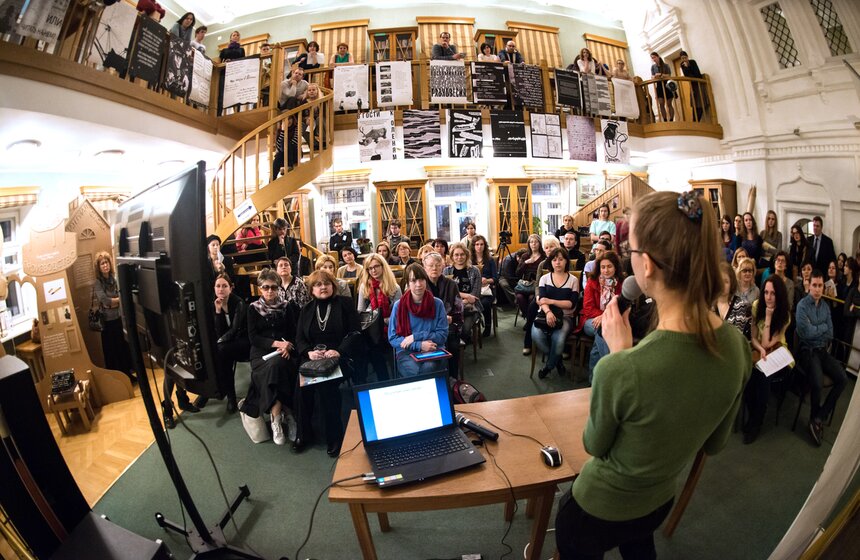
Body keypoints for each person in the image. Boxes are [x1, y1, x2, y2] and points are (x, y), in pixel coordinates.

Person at [555, 190, 751, 559]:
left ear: (646, 266)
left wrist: (620, 355)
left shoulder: (621, 367)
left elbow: (594, 445)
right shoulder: (738, 349)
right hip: (658, 500)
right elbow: (714, 443)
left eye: (629, 252)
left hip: (595, 512)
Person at [295, 270, 361, 456]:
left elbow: (355, 333)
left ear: (333, 285)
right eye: (317, 284)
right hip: (313, 360)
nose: (322, 287)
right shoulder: (306, 310)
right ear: (311, 289)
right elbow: (299, 339)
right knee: (300, 386)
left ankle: (335, 436)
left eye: (326, 283)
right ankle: (303, 434)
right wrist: (309, 352)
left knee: (326, 387)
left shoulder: (345, 304)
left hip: (341, 358)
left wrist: (338, 351)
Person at [242, 269, 299, 446]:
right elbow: (254, 338)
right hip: (261, 354)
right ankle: (286, 414)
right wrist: (278, 344)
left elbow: (294, 332)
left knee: (278, 367)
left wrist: (288, 345)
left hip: (286, 351)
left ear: (278, 288)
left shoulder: (287, 306)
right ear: (260, 289)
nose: (269, 291)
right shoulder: (253, 308)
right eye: (265, 287)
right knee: (275, 367)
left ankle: (277, 419)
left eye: (273, 287)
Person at [796, 270, 848, 446]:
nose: (817, 289)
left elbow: (831, 333)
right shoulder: (802, 306)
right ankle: (814, 420)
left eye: (820, 286)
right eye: (814, 285)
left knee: (842, 379)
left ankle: (818, 417)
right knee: (817, 383)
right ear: (809, 285)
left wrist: (816, 328)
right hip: (807, 351)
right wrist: (822, 327)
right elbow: (805, 333)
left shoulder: (825, 306)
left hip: (822, 351)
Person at [743, 275, 792, 444]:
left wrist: (769, 317)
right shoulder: (757, 306)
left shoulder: (785, 315)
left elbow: (769, 342)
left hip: (779, 353)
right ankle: (753, 416)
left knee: (763, 377)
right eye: (766, 292)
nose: (768, 297)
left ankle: (757, 422)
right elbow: (755, 337)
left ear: (779, 295)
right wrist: (760, 348)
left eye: (773, 293)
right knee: (750, 377)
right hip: (762, 351)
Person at [200, 273, 249, 414]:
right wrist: (218, 311)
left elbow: (235, 329)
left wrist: (218, 342)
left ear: (231, 288)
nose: (220, 289)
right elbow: (218, 330)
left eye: (224, 286)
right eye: (218, 286)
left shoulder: (239, 303)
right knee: (221, 355)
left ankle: (218, 393)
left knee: (220, 352)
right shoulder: (214, 304)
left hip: (243, 341)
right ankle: (225, 396)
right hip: (226, 344)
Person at [388, 264, 449, 377]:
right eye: (413, 280)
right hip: (406, 352)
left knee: (429, 367)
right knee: (416, 371)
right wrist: (418, 345)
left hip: (433, 348)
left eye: (421, 279)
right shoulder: (399, 306)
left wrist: (416, 336)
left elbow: (442, 335)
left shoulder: (437, 304)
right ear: (407, 283)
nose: (418, 284)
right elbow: (393, 338)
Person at [532, 247, 579, 379]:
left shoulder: (573, 280)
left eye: (561, 259)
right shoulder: (544, 278)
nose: (557, 262)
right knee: (537, 336)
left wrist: (551, 301)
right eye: (554, 260)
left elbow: (571, 304)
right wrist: (548, 312)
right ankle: (558, 361)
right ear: (550, 262)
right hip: (545, 314)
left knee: (558, 339)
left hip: (565, 316)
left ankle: (548, 366)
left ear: (566, 262)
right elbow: (542, 300)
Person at [578, 251, 624, 382]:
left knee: (599, 340)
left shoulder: (621, 283)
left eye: (609, 266)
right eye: (603, 267)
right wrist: (604, 317)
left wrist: (605, 317)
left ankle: (593, 382)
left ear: (616, 267)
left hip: (612, 322)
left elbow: (623, 307)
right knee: (603, 328)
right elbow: (588, 309)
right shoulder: (592, 283)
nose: (606, 270)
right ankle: (613, 370)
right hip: (590, 321)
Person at [356, 254, 402, 382]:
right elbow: (360, 312)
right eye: (370, 268)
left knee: (380, 347)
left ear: (383, 267)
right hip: (370, 329)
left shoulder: (394, 288)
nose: (373, 270)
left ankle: (389, 380)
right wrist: (375, 321)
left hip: (390, 328)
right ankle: (381, 380)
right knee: (370, 347)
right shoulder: (364, 287)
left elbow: (398, 315)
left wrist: (381, 321)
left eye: (376, 266)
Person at [93, 251, 133, 380]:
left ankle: (128, 375)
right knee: (113, 351)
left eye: (106, 262)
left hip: (119, 318)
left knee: (123, 348)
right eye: (102, 264)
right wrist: (117, 300)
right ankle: (118, 379)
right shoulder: (98, 283)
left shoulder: (114, 278)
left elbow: (120, 295)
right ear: (99, 267)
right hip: (108, 323)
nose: (105, 265)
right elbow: (104, 301)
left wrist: (113, 302)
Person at [444, 242, 483, 344]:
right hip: (451, 308)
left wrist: (463, 301)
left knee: (464, 330)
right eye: (456, 255)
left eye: (462, 254)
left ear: (466, 255)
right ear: (452, 256)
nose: (459, 257)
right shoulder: (446, 271)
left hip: (470, 308)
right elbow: (447, 293)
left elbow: (475, 296)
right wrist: (465, 295)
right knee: (450, 330)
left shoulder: (475, 271)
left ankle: (462, 345)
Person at [515, 234, 546, 341]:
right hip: (524, 285)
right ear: (529, 244)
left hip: (536, 285)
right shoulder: (525, 256)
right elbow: (517, 273)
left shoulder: (543, 256)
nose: (533, 244)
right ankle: (529, 319)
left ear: (539, 243)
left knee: (531, 298)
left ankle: (530, 321)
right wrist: (526, 263)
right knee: (519, 297)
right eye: (531, 242)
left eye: (536, 242)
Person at [715, 261, 752, 341]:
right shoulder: (709, 303)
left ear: (731, 283)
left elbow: (737, 336)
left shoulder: (739, 304)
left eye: (726, 281)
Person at [471, 235, 497, 337]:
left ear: (485, 246)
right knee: (471, 302)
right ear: (473, 246)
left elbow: (496, 278)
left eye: (482, 244)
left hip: (487, 289)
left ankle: (487, 326)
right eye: (477, 244)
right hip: (473, 289)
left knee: (485, 303)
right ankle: (472, 326)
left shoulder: (490, 260)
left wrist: (487, 280)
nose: (479, 247)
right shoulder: (469, 260)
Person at [678, 50, 705, 121]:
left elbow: (697, 74)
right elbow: (688, 76)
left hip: (699, 84)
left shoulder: (692, 62)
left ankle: (697, 121)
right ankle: (694, 121)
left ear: (687, 57)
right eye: (682, 58)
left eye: (685, 58)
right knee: (694, 104)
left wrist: (689, 66)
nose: (684, 60)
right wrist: (686, 68)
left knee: (700, 103)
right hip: (693, 85)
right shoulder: (682, 65)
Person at [650, 51, 675, 122]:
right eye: (652, 58)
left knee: (669, 103)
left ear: (658, 56)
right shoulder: (653, 67)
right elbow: (652, 76)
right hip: (659, 85)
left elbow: (669, 75)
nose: (653, 59)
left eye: (654, 57)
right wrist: (655, 76)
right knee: (661, 103)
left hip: (667, 84)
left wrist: (661, 75)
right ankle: (665, 119)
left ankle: (671, 119)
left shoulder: (666, 65)